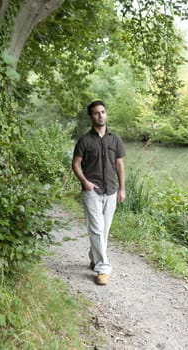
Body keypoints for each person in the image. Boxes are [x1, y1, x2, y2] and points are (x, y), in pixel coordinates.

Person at [72, 100, 126, 285]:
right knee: (96, 228)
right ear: (91, 117)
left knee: (104, 230)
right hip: (92, 191)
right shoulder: (85, 141)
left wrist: (122, 188)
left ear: (106, 114)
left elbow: (119, 164)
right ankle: (103, 268)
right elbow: (76, 164)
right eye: (96, 113)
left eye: (102, 112)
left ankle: (93, 255)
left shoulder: (115, 139)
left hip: (111, 190)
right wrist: (85, 182)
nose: (100, 115)